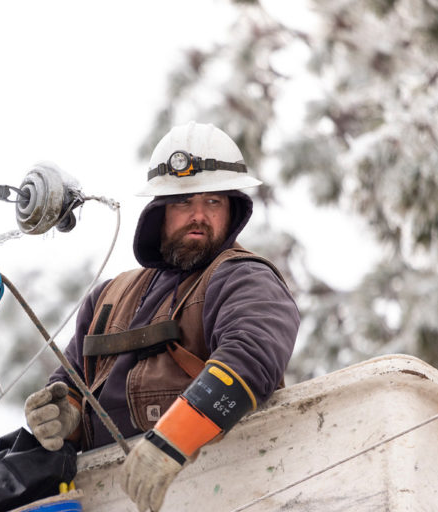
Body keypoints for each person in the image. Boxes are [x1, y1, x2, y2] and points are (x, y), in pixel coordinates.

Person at [24, 122, 300, 512]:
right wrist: (62, 417)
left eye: (213, 202)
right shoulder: (108, 297)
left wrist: (174, 440)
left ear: (233, 210)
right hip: (108, 498)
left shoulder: (244, 278)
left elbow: (251, 359)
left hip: (225, 495)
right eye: (183, 202)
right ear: (159, 212)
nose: (199, 216)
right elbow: (71, 382)